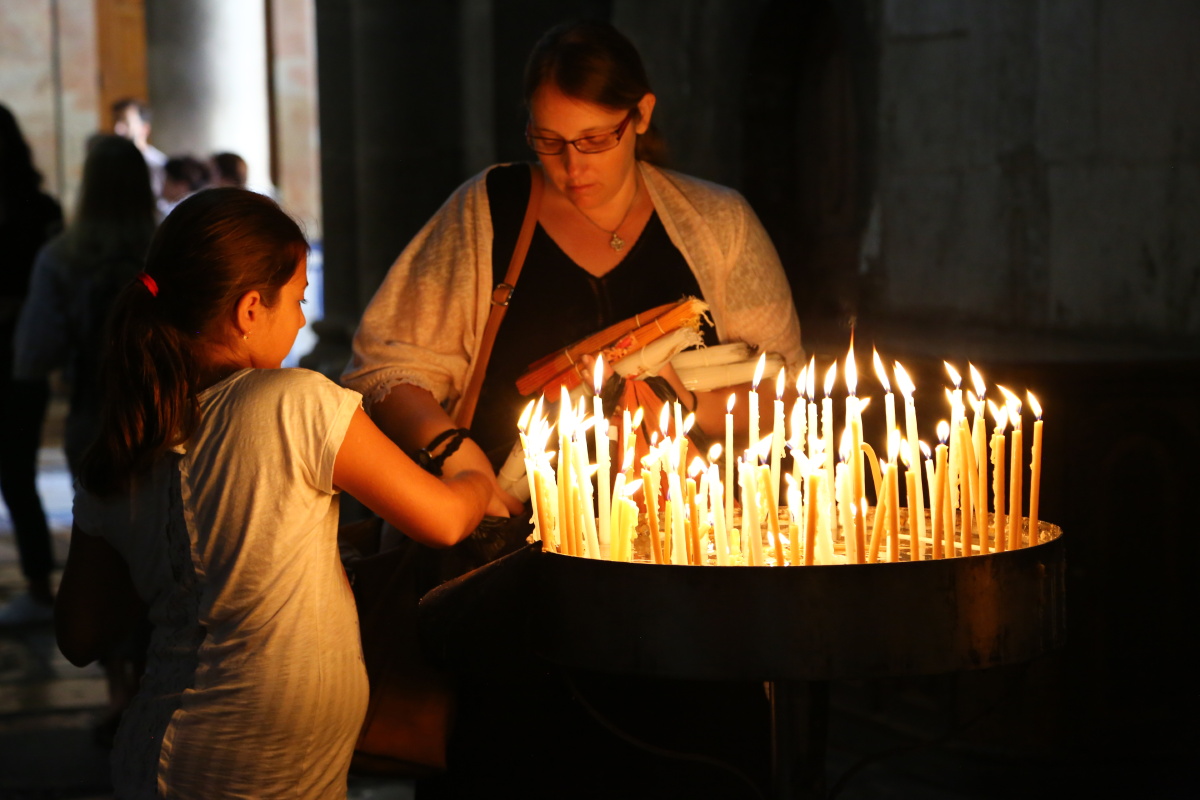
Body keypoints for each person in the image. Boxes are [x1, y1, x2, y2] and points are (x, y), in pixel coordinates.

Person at [342, 19, 802, 798]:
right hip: (513, 569)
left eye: (595, 140)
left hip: (682, 577)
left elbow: (780, 388)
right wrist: (455, 452)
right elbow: (389, 365)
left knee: (686, 766)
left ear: (641, 116)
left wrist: (681, 406)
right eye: (549, 140)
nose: (571, 166)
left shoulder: (715, 222)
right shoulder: (490, 209)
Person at [53, 188, 505, 798]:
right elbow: (446, 520)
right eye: (295, 300)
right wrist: (471, 469)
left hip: (152, 753)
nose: (299, 319)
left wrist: (183, 575)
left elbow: (80, 635)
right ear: (248, 310)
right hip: (254, 774)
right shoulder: (292, 402)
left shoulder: (123, 449)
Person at [0, 104, 64, 626]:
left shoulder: (38, 209)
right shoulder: (41, 206)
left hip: (19, 356)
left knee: (17, 475)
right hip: (23, 358)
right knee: (18, 474)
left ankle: (41, 581)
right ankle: (39, 581)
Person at [112, 98, 167, 199]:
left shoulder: (157, 164)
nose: (117, 130)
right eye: (115, 121)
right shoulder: (111, 163)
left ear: (145, 128)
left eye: (126, 122)